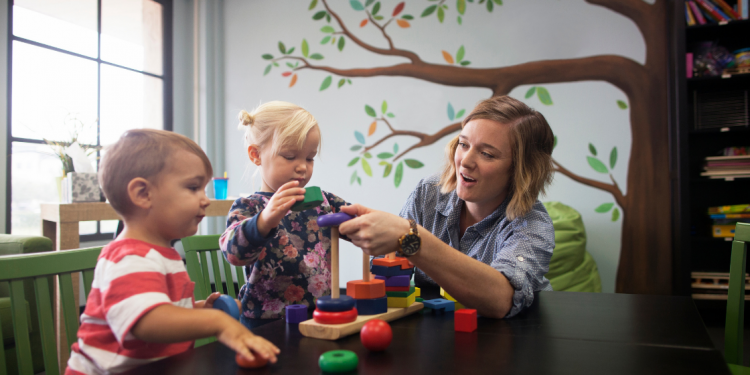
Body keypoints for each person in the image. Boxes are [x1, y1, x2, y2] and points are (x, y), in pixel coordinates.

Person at [66, 129, 279, 375]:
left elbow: (157, 306)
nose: (205, 200)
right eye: (193, 187)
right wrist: (217, 323)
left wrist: (196, 311)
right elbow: (147, 323)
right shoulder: (129, 257)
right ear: (143, 194)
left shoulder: (161, 253)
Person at [339, 96, 555, 319]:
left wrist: (411, 238)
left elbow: (502, 300)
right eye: (463, 144)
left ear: (522, 170)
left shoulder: (532, 224)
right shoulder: (428, 193)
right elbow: (391, 270)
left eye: (487, 154)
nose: (466, 161)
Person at [220, 101, 349, 328]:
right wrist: (263, 221)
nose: (302, 167)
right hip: (265, 321)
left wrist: (381, 227)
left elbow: (358, 220)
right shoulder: (249, 206)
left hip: (320, 314)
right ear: (256, 155)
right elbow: (233, 253)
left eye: (309, 158)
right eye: (290, 157)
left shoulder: (323, 201)